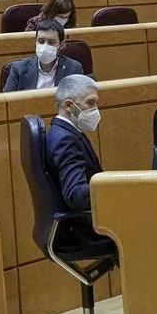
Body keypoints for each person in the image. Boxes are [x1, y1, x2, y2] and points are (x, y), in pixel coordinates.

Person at [46, 74, 102, 214]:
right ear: (69, 105)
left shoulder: (63, 132)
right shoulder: (65, 140)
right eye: (90, 103)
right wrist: (113, 187)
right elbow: (75, 196)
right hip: (89, 228)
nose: (95, 109)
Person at [2, 19, 84, 92]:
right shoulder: (18, 68)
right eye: (41, 41)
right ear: (36, 42)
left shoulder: (74, 69)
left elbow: (80, 100)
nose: (45, 46)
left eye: (51, 42)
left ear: (61, 46)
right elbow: (7, 102)